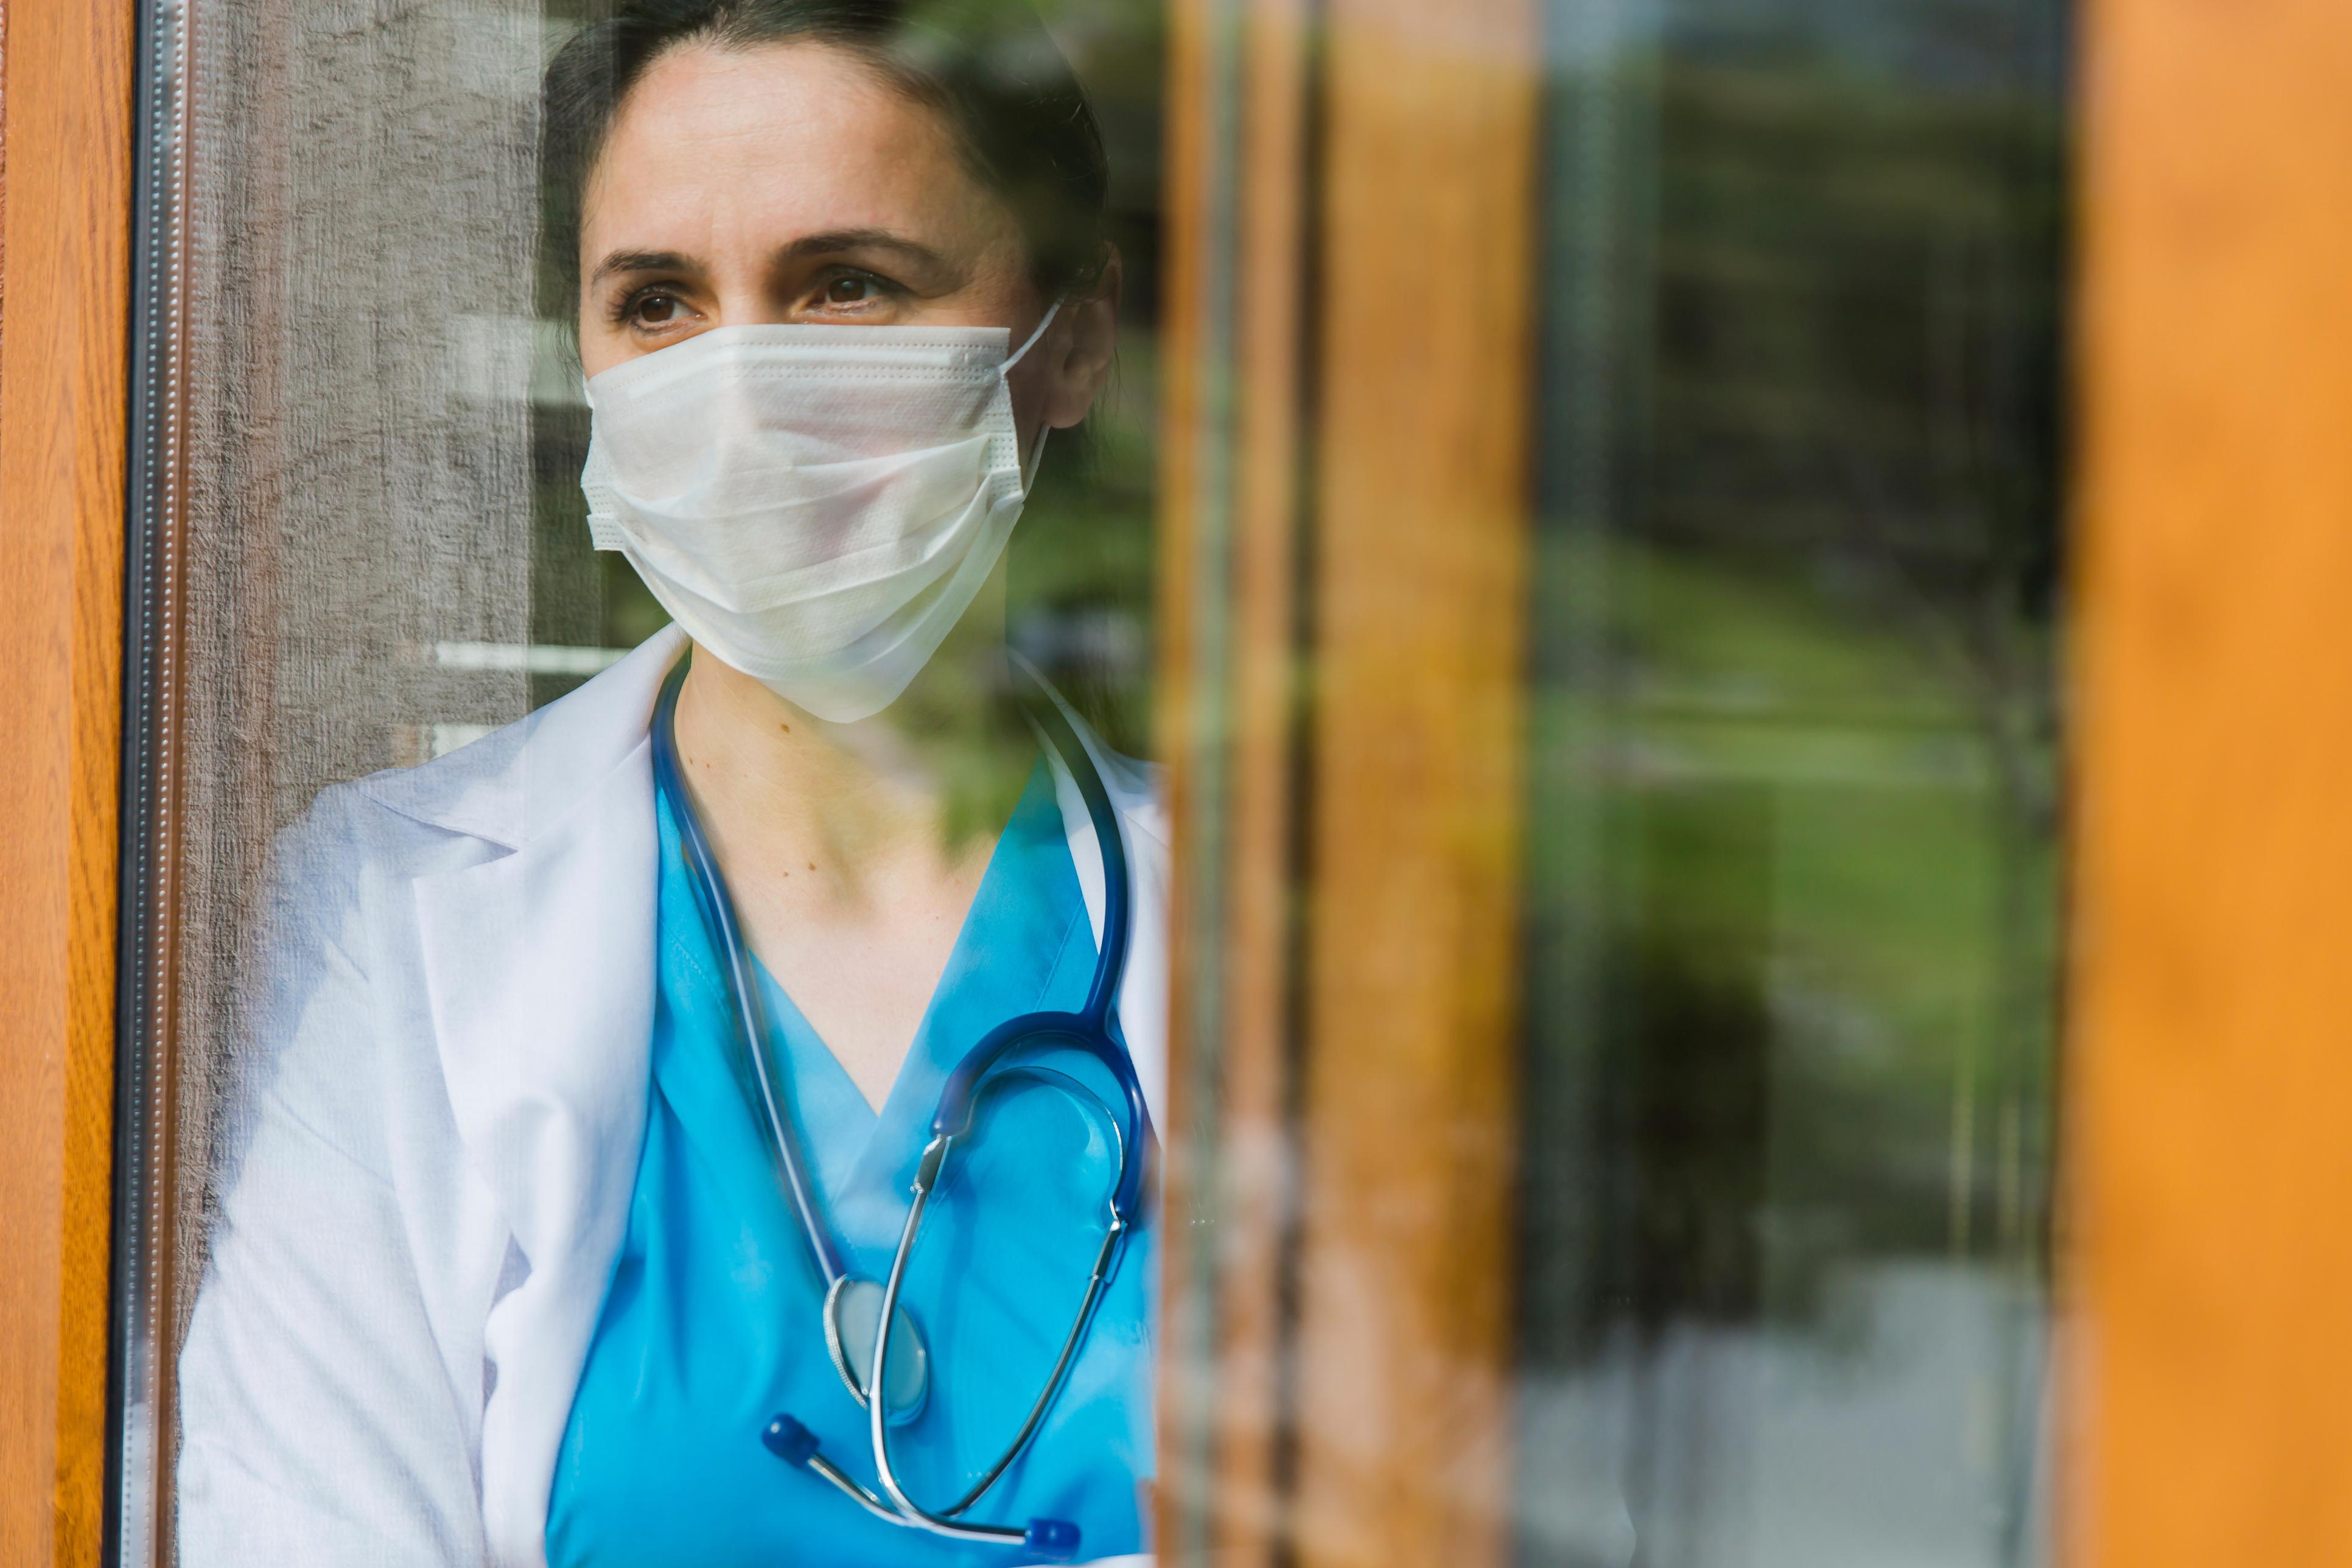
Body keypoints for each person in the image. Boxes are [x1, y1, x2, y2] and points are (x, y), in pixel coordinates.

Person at [174, 4, 1165, 1564]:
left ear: (1076, 342)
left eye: (846, 285)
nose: (744, 387)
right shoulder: (395, 913)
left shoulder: (1266, 924)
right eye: (658, 304)